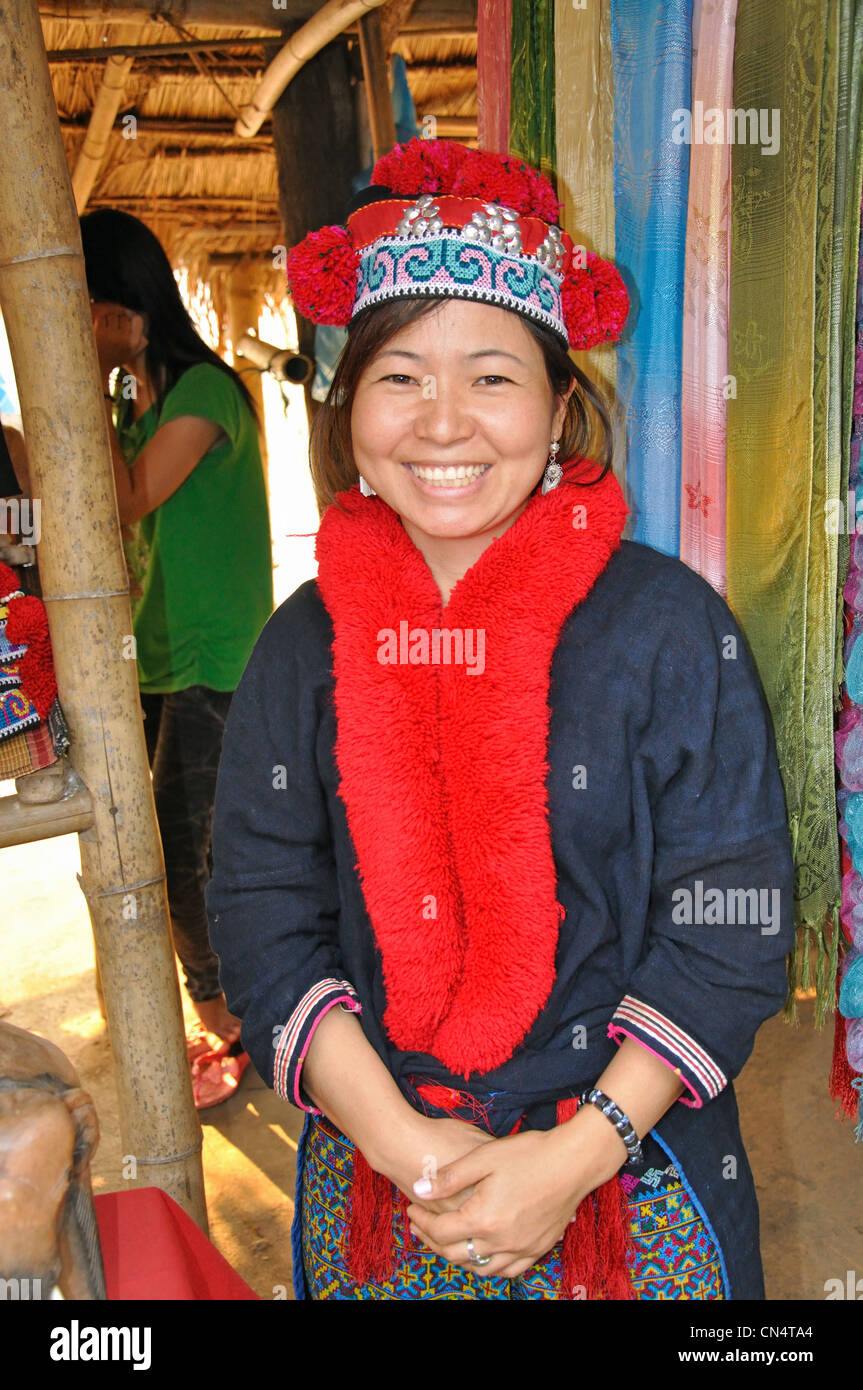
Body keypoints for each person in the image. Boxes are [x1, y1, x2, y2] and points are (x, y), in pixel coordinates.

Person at [206, 138, 795, 1297]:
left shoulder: (668, 628)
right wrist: (406, 1145)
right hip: (388, 1184)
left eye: (489, 375)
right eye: (399, 377)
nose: (442, 423)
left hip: (629, 1176)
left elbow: (729, 922)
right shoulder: (301, 643)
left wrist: (573, 1158)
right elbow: (263, 910)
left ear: (558, 403)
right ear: (349, 406)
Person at [81, 209, 274, 1105]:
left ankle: (232, 1022)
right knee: (181, 848)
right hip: (163, 657)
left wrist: (74, 375)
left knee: (185, 854)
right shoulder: (137, 401)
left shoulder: (204, 391)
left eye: (78, 304)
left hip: (217, 661)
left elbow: (122, 499)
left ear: (122, 302)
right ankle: (231, 1009)